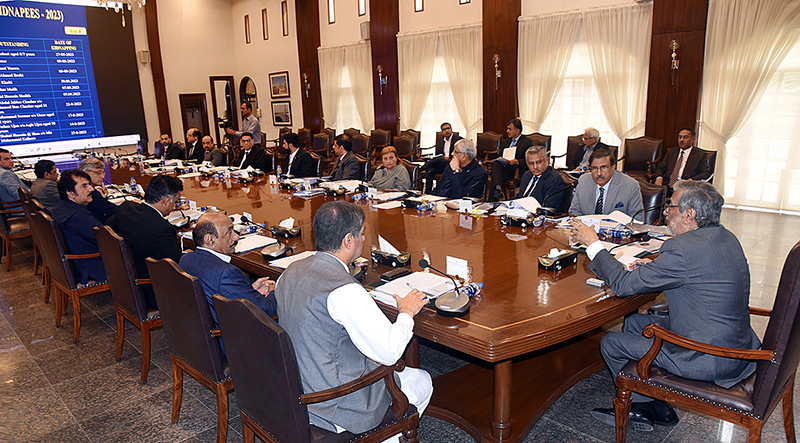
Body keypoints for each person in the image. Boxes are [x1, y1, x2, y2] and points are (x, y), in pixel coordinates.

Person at [568, 180, 760, 432]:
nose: (666, 211)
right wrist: (655, 269)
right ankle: (654, 402)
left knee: (610, 343)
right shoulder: (726, 237)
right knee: (636, 322)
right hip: (736, 345)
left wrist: (593, 244)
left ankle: (638, 407)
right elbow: (696, 275)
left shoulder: (682, 248)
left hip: (706, 356)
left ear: (689, 214)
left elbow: (624, 286)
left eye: (671, 205)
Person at [275, 201, 432, 435]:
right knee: (421, 380)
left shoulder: (290, 270)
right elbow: (390, 352)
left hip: (293, 387)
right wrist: (406, 313)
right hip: (332, 404)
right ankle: (383, 437)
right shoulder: (344, 291)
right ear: (348, 240)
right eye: (361, 234)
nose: (363, 239)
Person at [179, 213, 277, 327]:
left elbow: (217, 289)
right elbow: (265, 310)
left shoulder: (186, 260)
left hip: (199, 332)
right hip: (233, 338)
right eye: (229, 233)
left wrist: (248, 290)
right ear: (209, 239)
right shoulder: (227, 273)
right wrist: (278, 291)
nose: (236, 237)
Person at [106, 175, 184, 308]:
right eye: (175, 202)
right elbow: (173, 268)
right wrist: (187, 255)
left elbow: (107, 229)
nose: (174, 206)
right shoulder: (163, 229)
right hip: (152, 291)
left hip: (125, 281)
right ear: (166, 200)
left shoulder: (126, 208)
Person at [51, 170, 105, 284]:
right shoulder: (79, 217)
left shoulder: (60, 208)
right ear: (70, 193)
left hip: (77, 262)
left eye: (89, 184)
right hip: (92, 268)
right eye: (84, 186)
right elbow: (107, 240)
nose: (92, 189)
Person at [568, 149, 643, 220]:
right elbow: (574, 212)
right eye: (594, 168)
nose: (599, 173)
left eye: (603, 167)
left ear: (613, 167)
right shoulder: (584, 181)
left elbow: (637, 220)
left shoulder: (630, 185)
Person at [488, 118, 533, 202]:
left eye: (510, 129)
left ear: (517, 130)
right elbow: (501, 155)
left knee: (495, 176)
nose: (507, 131)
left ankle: (492, 200)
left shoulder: (527, 142)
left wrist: (517, 161)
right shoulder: (505, 142)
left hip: (517, 170)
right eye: (507, 128)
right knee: (496, 164)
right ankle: (498, 188)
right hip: (504, 168)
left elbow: (529, 160)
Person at [653, 128, 711, 194]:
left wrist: (691, 180)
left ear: (693, 140)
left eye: (685, 137)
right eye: (680, 137)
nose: (681, 140)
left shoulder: (700, 155)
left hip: (685, 186)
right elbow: (661, 168)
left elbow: (705, 173)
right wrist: (659, 177)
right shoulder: (671, 152)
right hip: (668, 185)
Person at [420, 122, 463, 194]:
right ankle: (428, 194)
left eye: (448, 128)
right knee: (429, 171)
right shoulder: (441, 141)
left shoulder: (458, 140)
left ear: (451, 129)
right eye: (444, 129)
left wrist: (449, 158)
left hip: (452, 163)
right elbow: (439, 154)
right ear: (442, 132)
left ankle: (421, 168)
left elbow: (461, 154)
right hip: (442, 164)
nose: (446, 131)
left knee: (437, 160)